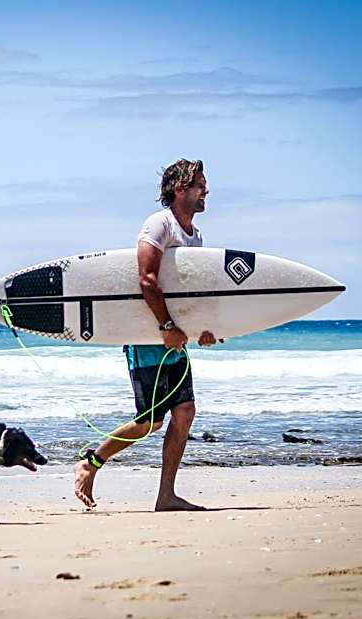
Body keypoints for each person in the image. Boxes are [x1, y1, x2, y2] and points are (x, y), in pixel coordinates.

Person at [73, 159, 219, 511]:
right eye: (200, 185)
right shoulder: (159, 224)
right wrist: (167, 327)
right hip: (147, 338)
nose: (206, 191)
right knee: (150, 422)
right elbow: (146, 279)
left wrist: (205, 329)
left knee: (185, 412)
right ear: (180, 189)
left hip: (174, 339)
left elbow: (188, 294)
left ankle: (166, 496)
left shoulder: (195, 236)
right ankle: (91, 462)